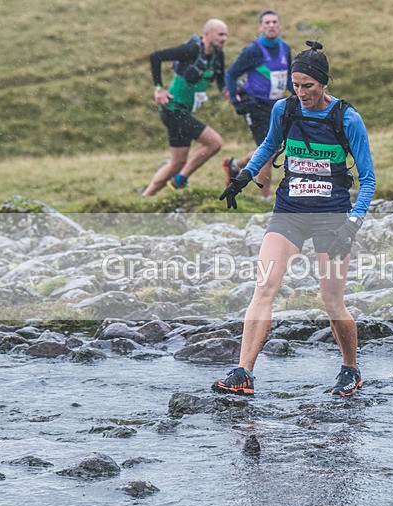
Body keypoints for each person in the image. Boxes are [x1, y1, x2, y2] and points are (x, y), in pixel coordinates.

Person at [211, 41, 377, 397]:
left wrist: (353, 224)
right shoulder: (284, 110)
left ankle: (350, 368)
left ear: (323, 83)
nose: (301, 93)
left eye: (308, 86)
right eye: (296, 85)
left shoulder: (347, 118)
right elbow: (269, 146)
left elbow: (369, 179)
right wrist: (244, 177)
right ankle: (244, 372)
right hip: (289, 212)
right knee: (264, 286)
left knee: (331, 300)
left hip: (332, 217)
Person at [142, 19, 229, 196]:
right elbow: (156, 57)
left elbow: (220, 77)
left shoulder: (218, 55)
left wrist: (225, 90)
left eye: (226, 34)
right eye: (220, 34)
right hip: (173, 109)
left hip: (182, 112)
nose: (224, 38)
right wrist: (158, 88)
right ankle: (180, 181)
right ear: (207, 35)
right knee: (214, 142)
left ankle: (146, 196)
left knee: (177, 163)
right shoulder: (192, 50)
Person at [223, 9, 293, 201]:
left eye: (274, 22)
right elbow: (231, 74)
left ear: (280, 25)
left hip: (275, 105)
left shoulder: (285, 49)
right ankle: (265, 199)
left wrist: (301, 95)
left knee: (272, 148)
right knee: (269, 152)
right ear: (260, 27)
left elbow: (287, 78)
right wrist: (235, 101)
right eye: (267, 23)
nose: (271, 26)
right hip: (255, 105)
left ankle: (236, 164)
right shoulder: (252, 50)